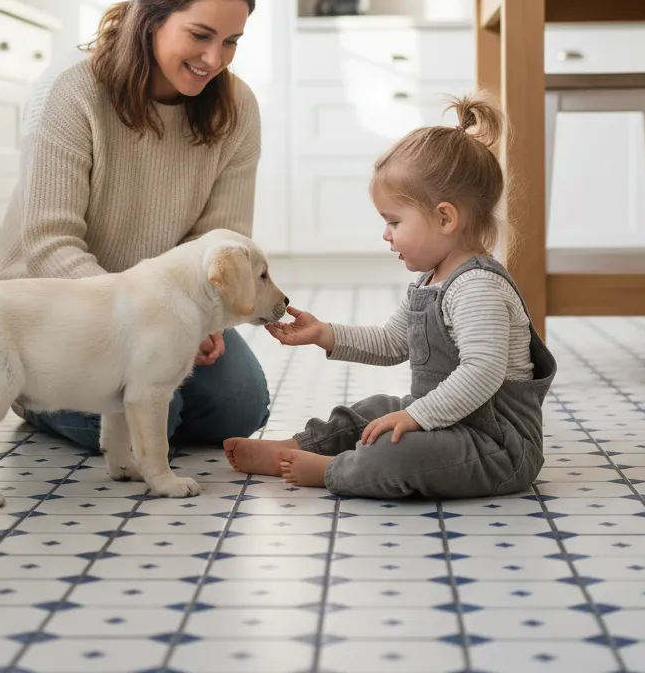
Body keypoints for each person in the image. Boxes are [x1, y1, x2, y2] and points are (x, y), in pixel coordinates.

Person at [0, 0, 270, 451]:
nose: (214, 59)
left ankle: (144, 402)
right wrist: (151, 321)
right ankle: (28, 388)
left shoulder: (238, 107)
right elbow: (49, 244)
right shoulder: (71, 91)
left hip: (167, 306)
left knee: (240, 408)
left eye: (231, 41)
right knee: (153, 417)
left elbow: (220, 240)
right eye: (201, 35)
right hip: (58, 312)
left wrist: (205, 316)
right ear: (151, 18)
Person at [224, 94, 556, 499]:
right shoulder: (432, 280)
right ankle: (298, 447)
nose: (386, 234)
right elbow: (391, 342)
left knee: (400, 452)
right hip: (444, 423)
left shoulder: (478, 287)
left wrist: (416, 415)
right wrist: (324, 333)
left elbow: (482, 372)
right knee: (373, 410)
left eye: (394, 221)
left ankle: (335, 469)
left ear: (446, 217)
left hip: (494, 445)